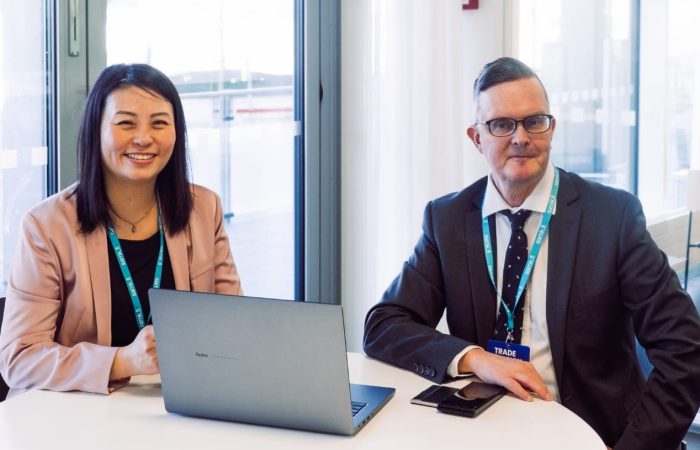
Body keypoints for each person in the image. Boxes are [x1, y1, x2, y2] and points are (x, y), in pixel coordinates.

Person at [363, 57, 700, 450]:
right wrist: (475, 358)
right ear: (476, 138)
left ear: (551, 129)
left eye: (534, 121)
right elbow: (383, 324)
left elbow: (685, 349)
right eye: (502, 125)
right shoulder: (448, 219)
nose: (520, 137)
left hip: (595, 436)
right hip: (481, 432)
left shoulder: (612, 217)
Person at [0, 64, 242, 395]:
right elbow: (19, 358)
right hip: (75, 417)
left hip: (180, 404)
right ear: (96, 131)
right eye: (125, 123)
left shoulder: (204, 209)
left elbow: (236, 325)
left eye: (159, 123)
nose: (144, 138)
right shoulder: (46, 226)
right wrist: (122, 361)